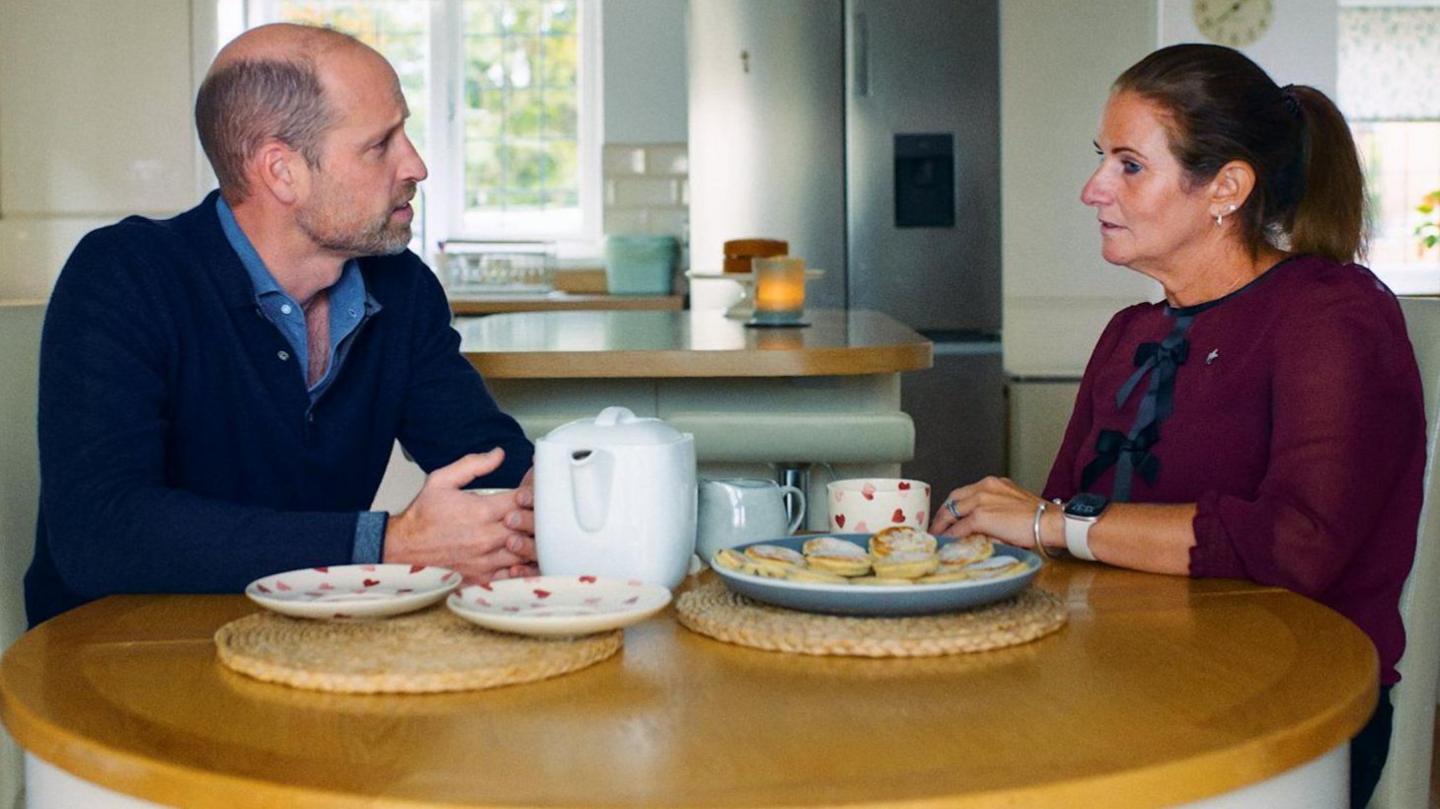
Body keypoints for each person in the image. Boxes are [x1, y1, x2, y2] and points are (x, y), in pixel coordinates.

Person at [929, 44, 1424, 807]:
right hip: (1114, 689)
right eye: (1103, 158)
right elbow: (1059, 538)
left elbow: (1299, 546)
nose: (1093, 188)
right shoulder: (1128, 333)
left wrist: (1051, 521)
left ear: (1226, 187)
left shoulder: (1333, 312)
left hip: (1280, 714)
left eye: (1130, 165)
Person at [26, 23, 540, 627]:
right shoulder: (124, 275)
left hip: (309, 638)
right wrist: (388, 545)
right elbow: (100, 535)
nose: (417, 165)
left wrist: (533, 506)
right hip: (120, 652)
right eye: (380, 145)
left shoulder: (401, 287)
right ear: (282, 172)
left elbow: (490, 462)